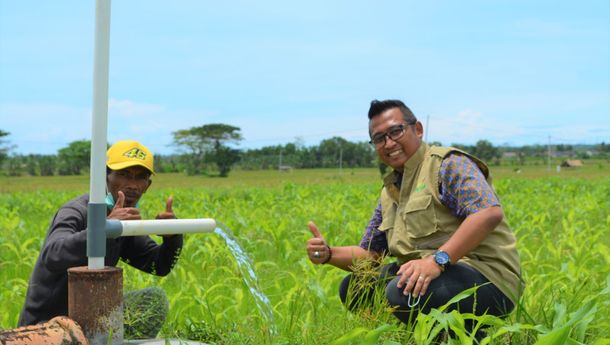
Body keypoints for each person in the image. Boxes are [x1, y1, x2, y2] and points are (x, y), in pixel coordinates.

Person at [306, 100, 522, 336]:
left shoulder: (447, 165)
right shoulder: (391, 190)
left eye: (396, 131)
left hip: (487, 277)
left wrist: (436, 261)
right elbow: (371, 256)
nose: (389, 143)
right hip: (434, 277)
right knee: (356, 287)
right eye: (379, 138)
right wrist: (328, 254)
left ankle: (475, 338)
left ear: (417, 129)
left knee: (401, 292)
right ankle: (433, 336)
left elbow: (488, 213)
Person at [18, 140, 183, 329]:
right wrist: (102, 230)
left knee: (153, 301)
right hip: (48, 326)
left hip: (91, 320)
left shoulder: (123, 222)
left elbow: (158, 265)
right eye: (123, 174)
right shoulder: (77, 211)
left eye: (140, 177)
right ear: (105, 176)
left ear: (148, 185)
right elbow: (52, 254)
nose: (132, 185)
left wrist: (172, 237)